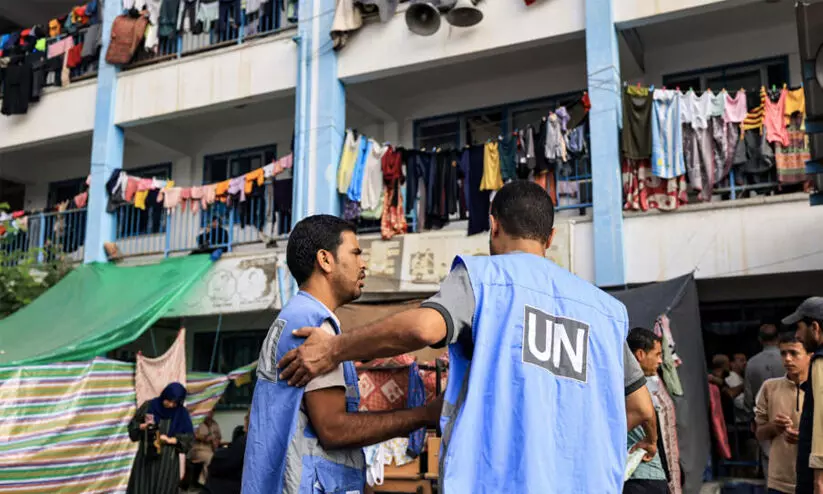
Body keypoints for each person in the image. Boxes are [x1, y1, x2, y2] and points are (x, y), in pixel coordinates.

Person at [278, 181, 657, 493]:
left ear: (493, 225)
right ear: (551, 237)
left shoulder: (484, 278)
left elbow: (423, 328)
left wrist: (334, 349)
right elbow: (640, 408)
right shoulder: (604, 311)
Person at [241, 215, 442, 494]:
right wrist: (423, 415)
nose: (363, 264)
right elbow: (333, 428)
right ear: (325, 260)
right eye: (356, 253)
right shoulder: (312, 324)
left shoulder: (296, 316)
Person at [626, 327, 681, 494]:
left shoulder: (647, 383)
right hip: (640, 474)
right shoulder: (636, 387)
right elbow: (646, 413)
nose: (660, 361)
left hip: (649, 473)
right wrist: (651, 440)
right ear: (640, 354)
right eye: (657, 355)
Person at [755, 333, 810, 494]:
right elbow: (760, 433)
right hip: (780, 482)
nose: (787, 359)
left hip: (814, 479)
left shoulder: (818, 388)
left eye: (793, 353)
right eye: (783, 353)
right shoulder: (769, 387)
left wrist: (806, 437)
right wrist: (774, 427)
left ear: (810, 356)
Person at [127, 382, 194, 494]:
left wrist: (169, 440)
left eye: (175, 403)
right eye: (169, 400)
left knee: (164, 489)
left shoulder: (181, 414)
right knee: (142, 487)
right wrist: (142, 426)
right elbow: (132, 427)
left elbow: (189, 438)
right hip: (145, 458)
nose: (171, 405)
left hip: (167, 462)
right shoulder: (149, 406)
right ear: (164, 395)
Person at [786, 297, 823, 494]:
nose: (797, 335)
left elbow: (822, 420)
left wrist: (819, 480)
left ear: (815, 327)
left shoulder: (820, 363)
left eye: (800, 328)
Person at [201, 412, 249, 494]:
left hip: (237, 482)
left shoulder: (245, 441)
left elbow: (229, 461)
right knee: (208, 457)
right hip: (203, 446)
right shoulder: (201, 425)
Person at [745, 324, 784, 416]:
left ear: (760, 339)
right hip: (789, 413)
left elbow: (748, 396)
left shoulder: (751, 363)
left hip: (763, 415)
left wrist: (751, 413)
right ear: (778, 337)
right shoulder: (788, 358)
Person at [191, 409, 222, 485]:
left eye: (212, 411)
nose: (211, 413)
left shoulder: (214, 424)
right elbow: (194, 435)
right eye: (209, 411)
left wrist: (216, 441)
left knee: (220, 456)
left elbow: (219, 436)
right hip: (198, 449)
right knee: (210, 457)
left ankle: (213, 481)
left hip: (212, 449)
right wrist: (206, 438)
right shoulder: (197, 422)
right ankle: (206, 483)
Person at [727, 353, 748, 422]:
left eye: (745, 360)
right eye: (742, 360)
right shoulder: (732, 377)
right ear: (732, 364)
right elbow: (740, 403)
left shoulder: (740, 377)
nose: (745, 363)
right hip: (741, 423)